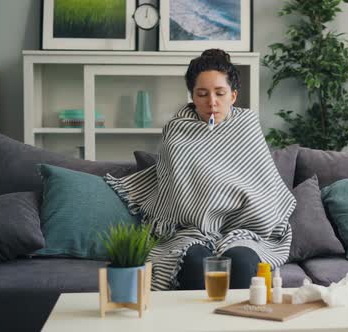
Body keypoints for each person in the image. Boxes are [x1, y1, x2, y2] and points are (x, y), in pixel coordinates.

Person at [106, 49, 296, 291]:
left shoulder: (247, 126)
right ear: (193, 96)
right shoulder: (176, 132)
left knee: (241, 261)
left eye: (220, 93)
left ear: (233, 95)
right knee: (193, 262)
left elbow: (262, 186)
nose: (212, 102)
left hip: (245, 229)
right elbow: (174, 188)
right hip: (189, 228)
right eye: (202, 94)